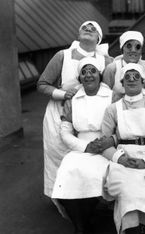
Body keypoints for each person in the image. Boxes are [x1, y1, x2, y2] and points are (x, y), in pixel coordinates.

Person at [37, 20, 113, 198]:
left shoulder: (106, 61)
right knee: (59, 157)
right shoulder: (62, 56)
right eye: (84, 27)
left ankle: (90, 198)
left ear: (99, 38)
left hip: (91, 117)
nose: (88, 28)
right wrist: (64, 94)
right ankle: (61, 198)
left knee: (92, 159)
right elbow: (42, 84)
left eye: (93, 28)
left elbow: (109, 90)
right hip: (59, 113)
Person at [101, 63, 145, 234]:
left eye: (136, 76)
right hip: (123, 158)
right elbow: (104, 142)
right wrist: (121, 159)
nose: (132, 79)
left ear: (142, 81)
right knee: (127, 191)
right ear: (122, 83)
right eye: (127, 77)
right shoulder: (112, 108)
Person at [51, 57, 116, 234]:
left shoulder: (111, 96)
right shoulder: (73, 99)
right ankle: (81, 226)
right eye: (84, 72)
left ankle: (85, 220)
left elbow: (121, 127)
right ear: (80, 78)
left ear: (100, 75)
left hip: (106, 147)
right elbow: (65, 132)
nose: (88, 75)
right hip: (80, 148)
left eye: (92, 71)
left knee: (95, 177)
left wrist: (106, 143)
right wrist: (84, 147)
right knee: (66, 174)